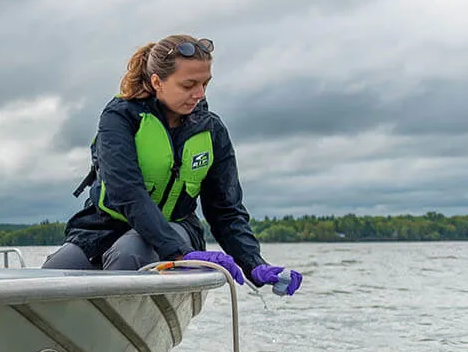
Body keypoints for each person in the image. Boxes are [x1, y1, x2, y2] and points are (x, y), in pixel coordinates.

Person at [41, 35, 303, 294]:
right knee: (54, 272)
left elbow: (226, 210)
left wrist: (254, 263)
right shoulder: (119, 118)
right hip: (104, 226)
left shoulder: (212, 130)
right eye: (189, 85)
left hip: (177, 227)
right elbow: (127, 192)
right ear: (158, 82)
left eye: (204, 84)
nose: (199, 94)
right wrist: (182, 254)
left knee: (129, 253)